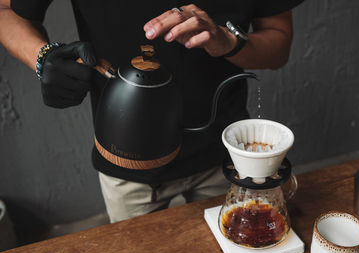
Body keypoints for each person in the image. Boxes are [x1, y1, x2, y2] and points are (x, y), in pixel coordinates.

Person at [0, 0, 303, 223]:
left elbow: (278, 43)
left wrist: (229, 42)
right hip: (126, 162)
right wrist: (42, 58)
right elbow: (6, 11)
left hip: (227, 156)